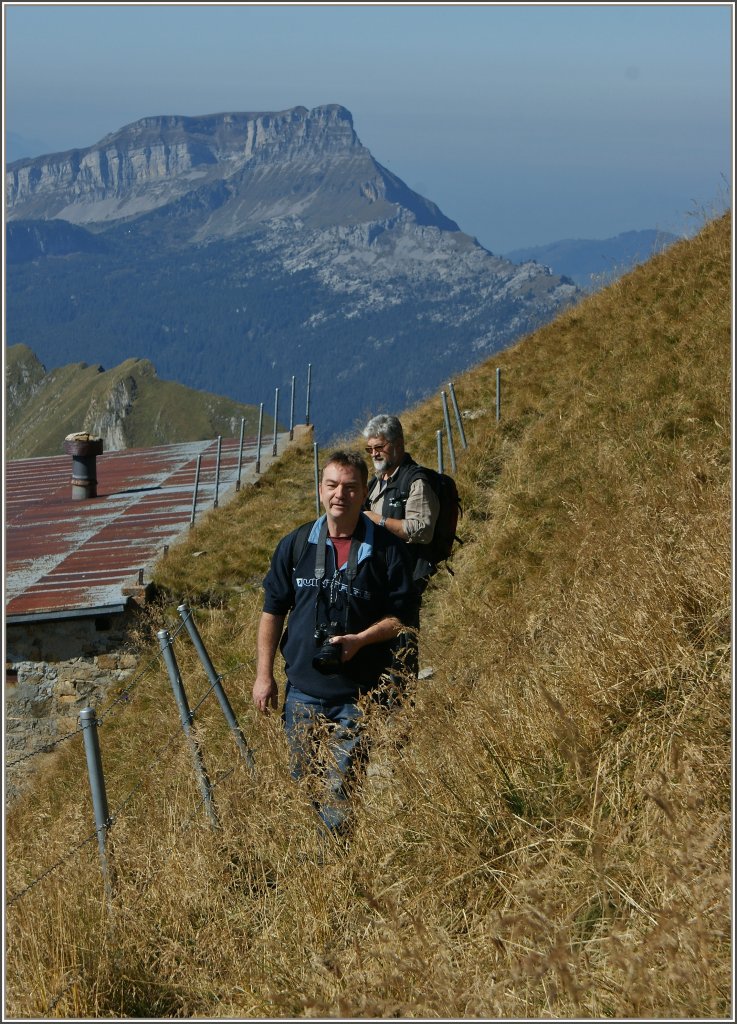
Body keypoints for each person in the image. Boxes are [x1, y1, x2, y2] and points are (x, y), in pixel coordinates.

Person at [252, 450, 419, 842]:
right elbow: (272, 612)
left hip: (357, 695)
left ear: (365, 494)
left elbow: (402, 619)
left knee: (342, 791)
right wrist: (264, 677)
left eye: (350, 487)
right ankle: (311, 861)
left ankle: (334, 867)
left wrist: (360, 640)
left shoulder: (387, 550)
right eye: (332, 485)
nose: (339, 494)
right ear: (320, 490)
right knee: (302, 783)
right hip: (302, 692)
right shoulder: (295, 546)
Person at [362, 414, 440, 680]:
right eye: (370, 449)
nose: (374, 454)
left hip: (405, 580)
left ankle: (403, 704)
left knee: (402, 646)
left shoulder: (415, 481)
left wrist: (379, 521)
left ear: (398, 444)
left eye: (379, 447)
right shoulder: (376, 482)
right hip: (378, 579)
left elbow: (422, 530)